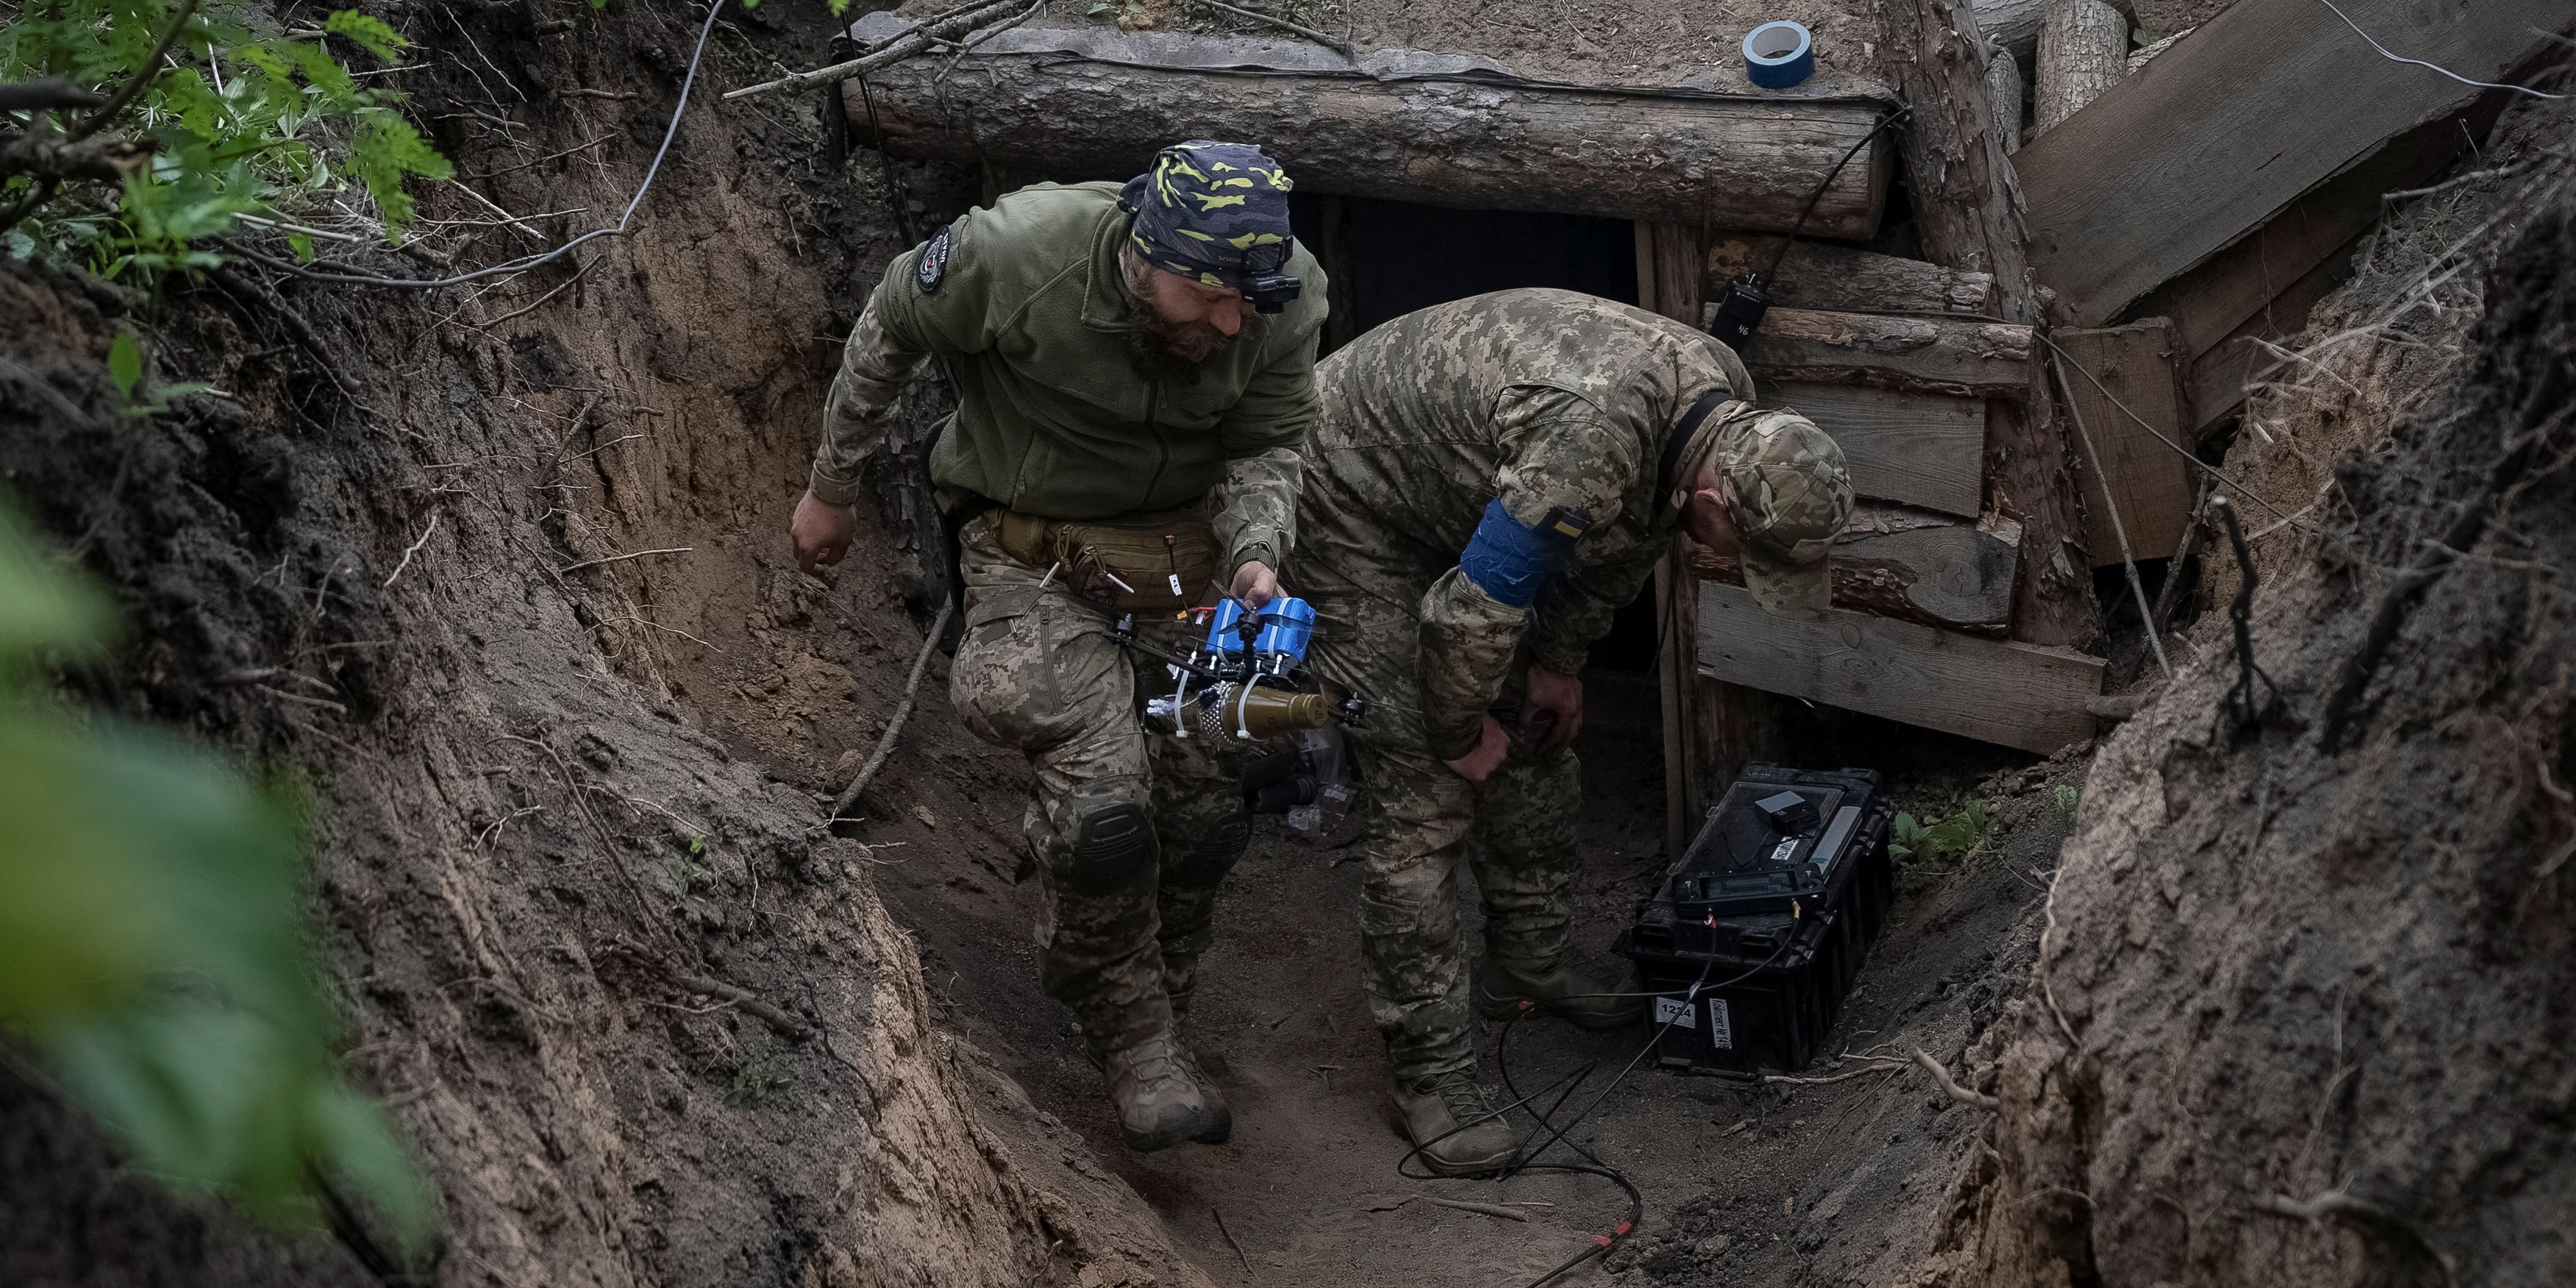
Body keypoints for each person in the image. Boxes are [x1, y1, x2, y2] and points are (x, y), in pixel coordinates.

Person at [789, 142, 1327, 1152]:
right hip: (1031, 559)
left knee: (1207, 816)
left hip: (1183, 565)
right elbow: (892, 324)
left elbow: (1269, 441)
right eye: (1206, 295)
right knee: (1105, 815)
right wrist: (831, 488)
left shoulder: (1277, 300)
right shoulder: (1019, 253)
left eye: (1247, 301)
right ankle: (1135, 1050)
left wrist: (1257, 556)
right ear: (1141, 253)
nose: (1229, 322)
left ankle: (1153, 999)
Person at [1288, 289, 1852, 1171]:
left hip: (1459, 493)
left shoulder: (1721, 396)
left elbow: (1627, 539)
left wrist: (1557, 660)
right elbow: (1467, 620)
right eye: (1742, 549)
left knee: (1538, 742)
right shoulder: (1588, 442)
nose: (1735, 567)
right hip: (1348, 499)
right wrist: (1451, 732)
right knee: (1426, 796)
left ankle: (1526, 965)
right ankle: (1431, 1075)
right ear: (1715, 491)